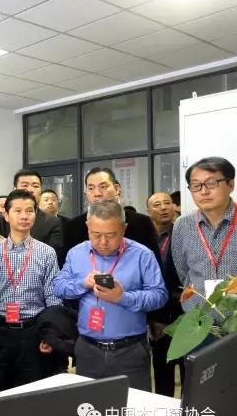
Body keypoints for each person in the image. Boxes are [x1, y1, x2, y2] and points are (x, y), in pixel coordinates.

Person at [54, 201, 167, 391]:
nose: (103, 242)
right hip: (88, 350)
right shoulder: (76, 253)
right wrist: (83, 284)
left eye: (111, 235)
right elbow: (58, 287)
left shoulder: (142, 255)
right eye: (96, 234)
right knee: (90, 406)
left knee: (133, 406)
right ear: (88, 227)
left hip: (130, 351)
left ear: (124, 229)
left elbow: (159, 295)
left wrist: (123, 297)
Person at [0, 190, 61, 394]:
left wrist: (50, 334)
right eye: (18, 211)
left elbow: (53, 297)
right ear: (6, 215)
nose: (24, 216)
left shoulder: (46, 253)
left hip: (32, 331)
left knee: (31, 392)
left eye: (29, 211)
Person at [171, 157, 237, 313]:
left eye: (211, 183)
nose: (204, 191)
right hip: (198, 320)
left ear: (230, 184)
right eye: (196, 185)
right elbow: (183, 273)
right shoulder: (183, 225)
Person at [63, 167, 161, 264]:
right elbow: (67, 266)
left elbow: (154, 265)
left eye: (103, 187)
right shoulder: (73, 226)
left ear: (117, 188)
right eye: (91, 188)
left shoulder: (141, 222)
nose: (97, 193)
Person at [146, 192, 185, 397]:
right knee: (162, 373)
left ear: (174, 207)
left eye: (167, 203)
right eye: (157, 204)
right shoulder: (145, 239)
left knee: (189, 372)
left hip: (185, 313)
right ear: (148, 211)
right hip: (158, 318)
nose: (163, 208)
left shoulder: (183, 233)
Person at [0, 170, 63, 261]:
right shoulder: (0, 219)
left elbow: (50, 257)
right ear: (14, 189)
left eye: (35, 186)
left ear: (41, 190)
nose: (30, 190)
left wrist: (7, 245)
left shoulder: (52, 222)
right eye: (25, 185)